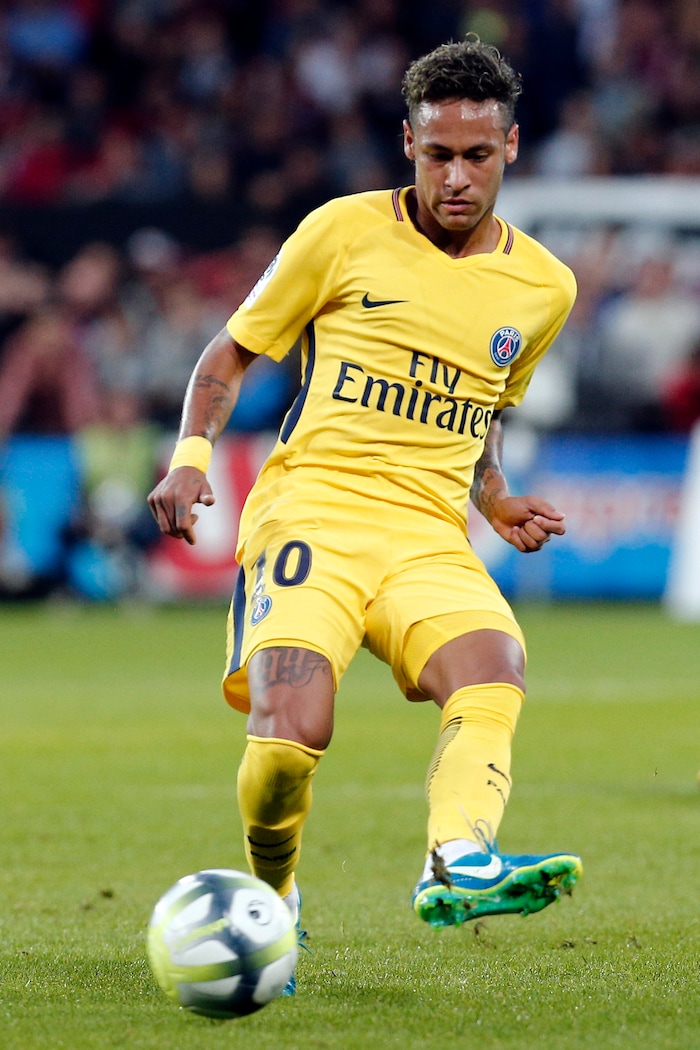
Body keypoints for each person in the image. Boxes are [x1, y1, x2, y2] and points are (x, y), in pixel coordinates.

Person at [148, 37, 582, 991]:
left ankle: (458, 856)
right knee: (290, 734)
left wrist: (495, 493)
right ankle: (278, 892)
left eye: (478, 154)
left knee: (493, 665)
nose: (457, 177)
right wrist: (188, 461)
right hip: (313, 516)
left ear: (512, 146)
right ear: (408, 145)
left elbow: (486, 407)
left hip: (427, 535)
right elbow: (227, 356)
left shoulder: (544, 288)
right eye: (438, 155)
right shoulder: (341, 232)